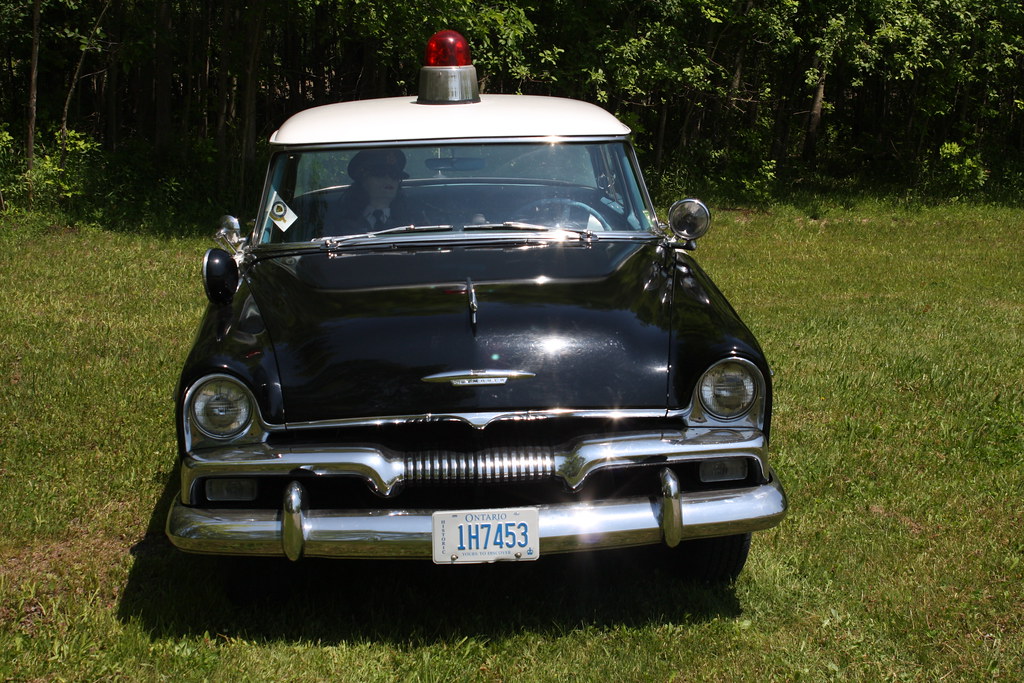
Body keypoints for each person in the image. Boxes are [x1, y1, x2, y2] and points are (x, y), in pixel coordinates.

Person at [326, 149, 416, 235]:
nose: (388, 179)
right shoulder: (338, 219)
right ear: (362, 179)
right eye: (380, 173)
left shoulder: (414, 219)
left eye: (394, 175)